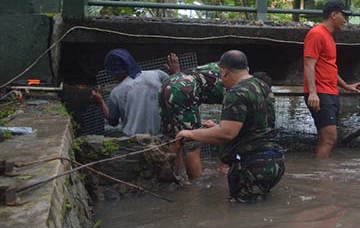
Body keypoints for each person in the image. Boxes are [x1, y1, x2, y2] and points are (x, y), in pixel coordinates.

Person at [177, 50, 284, 202]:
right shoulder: (262, 86)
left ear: (225, 72)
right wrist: (216, 127)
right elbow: (254, 126)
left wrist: (190, 134)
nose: (221, 80)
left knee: (241, 218)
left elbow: (226, 134)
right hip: (274, 162)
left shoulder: (236, 92)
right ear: (246, 68)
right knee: (260, 212)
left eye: (221, 74)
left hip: (251, 166)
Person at [160, 53, 252, 180]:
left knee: (174, 137)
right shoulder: (239, 87)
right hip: (183, 90)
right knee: (191, 142)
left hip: (169, 84)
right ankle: (195, 187)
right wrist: (223, 166)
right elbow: (229, 132)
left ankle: (174, 176)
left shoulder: (224, 69)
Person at [303, 0, 360, 159]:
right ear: (334, 15)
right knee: (330, 138)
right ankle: (322, 175)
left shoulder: (328, 36)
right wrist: (313, 93)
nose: (345, 20)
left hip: (330, 92)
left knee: (324, 138)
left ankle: (319, 172)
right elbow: (309, 65)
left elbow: (328, 67)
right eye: (344, 15)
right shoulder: (316, 33)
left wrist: (346, 86)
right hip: (321, 93)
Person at [91, 49, 167, 136]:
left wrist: (100, 101)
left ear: (115, 72)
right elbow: (175, 87)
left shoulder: (116, 92)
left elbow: (113, 121)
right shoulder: (157, 75)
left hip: (133, 140)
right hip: (159, 136)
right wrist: (176, 73)